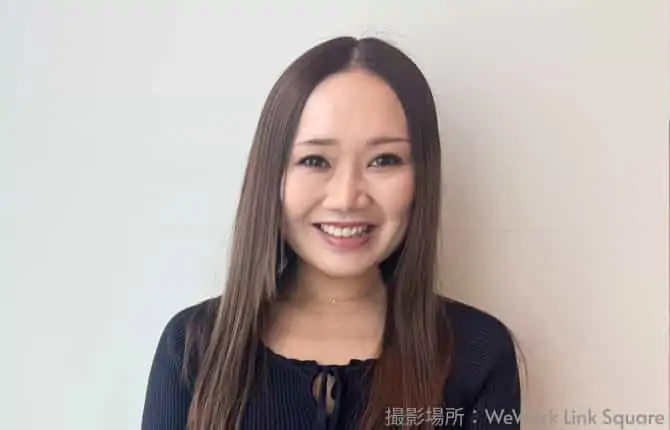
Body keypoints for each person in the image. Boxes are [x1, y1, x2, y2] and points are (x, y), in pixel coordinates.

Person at [140, 36, 521, 430]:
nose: (346, 198)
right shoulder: (193, 346)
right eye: (315, 160)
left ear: (422, 175)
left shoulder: (479, 353)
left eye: (383, 160)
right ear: (271, 175)